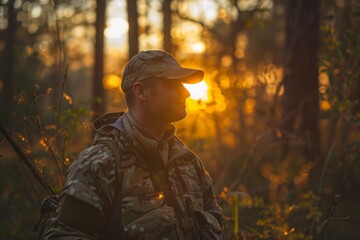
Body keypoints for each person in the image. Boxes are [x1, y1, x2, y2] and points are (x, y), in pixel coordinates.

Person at [43, 50, 223, 239]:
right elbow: (64, 235)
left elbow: (215, 222)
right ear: (141, 91)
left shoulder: (188, 162)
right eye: (173, 84)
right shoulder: (100, 163)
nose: (186, 92)